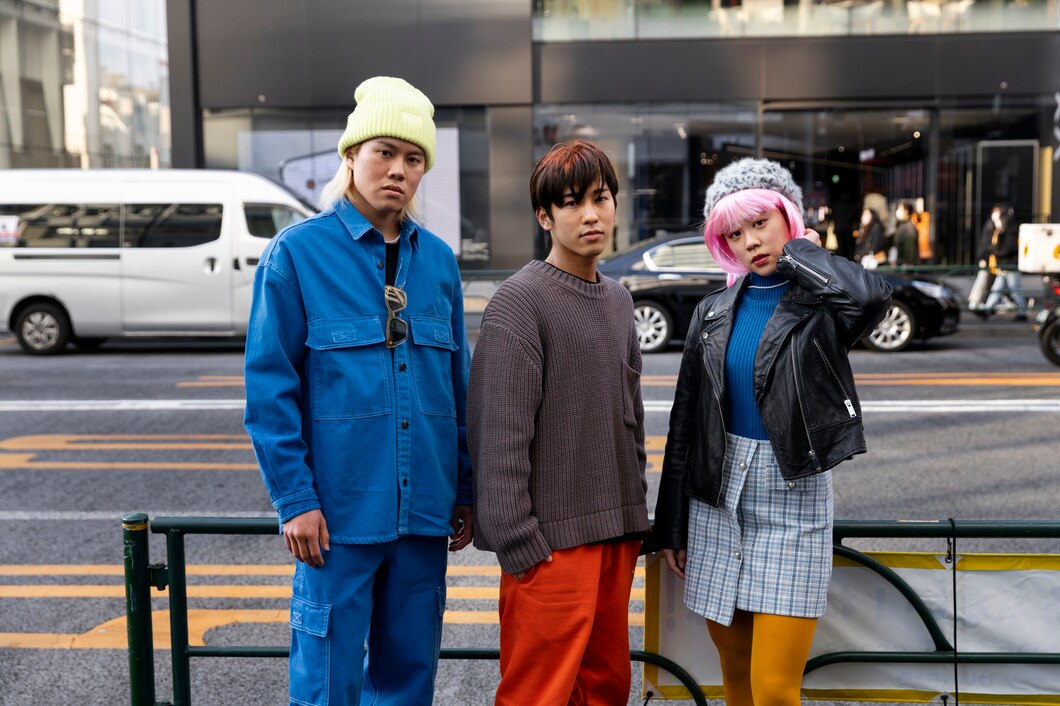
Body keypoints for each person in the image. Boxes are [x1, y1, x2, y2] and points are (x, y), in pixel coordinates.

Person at [243, 76, 473, 706]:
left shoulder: (440, 264)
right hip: (337, 519)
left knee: (408, 677)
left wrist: (466, 488)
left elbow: (459, 388)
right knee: (326, 682)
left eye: (414, 158)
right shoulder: (297, 255)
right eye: (384, 152)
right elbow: (269, 392)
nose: (398, 170)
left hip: (423, 513)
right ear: (350, 156)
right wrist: (295, 501)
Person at [653, 158, 892, 706]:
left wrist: (801, 250)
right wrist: (673, 526)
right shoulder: (712, 312)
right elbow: (685, 419)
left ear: (788, 216)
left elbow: (871, 298)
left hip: (792, 499)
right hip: (715, 498)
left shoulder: (822, 305)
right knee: (734, 674)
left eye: (760, 222)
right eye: (733, 233)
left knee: (775, 689)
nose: (749, 242)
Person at [468, 139, 650, 706]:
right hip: (549, 545)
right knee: (536, 694)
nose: (590, 215)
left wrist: (634, 516)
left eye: (600, 198)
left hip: (615, 534)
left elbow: (629, 417)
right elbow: (497, 434)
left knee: (606, 690)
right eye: (571, 203)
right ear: (545, 217)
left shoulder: (619, 300)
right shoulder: (519, 301)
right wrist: (518, 541)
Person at [974, 203, 1028, 320]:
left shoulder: (1011, 230)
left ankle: (1022, 313)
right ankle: (988, 309)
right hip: (1003, 265)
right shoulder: (1001, 229)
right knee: (997, 289)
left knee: (1015, 289)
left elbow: (1009, 248)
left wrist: (995, 252)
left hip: (1010, 265)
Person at [893, 200, 920, 266]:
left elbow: (910, 248)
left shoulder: (909, 227)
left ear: (906, 211)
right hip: (901, 264)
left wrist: (907, 263)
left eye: (900, 209)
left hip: (906, 266)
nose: (898, 211)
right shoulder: (902, 225)